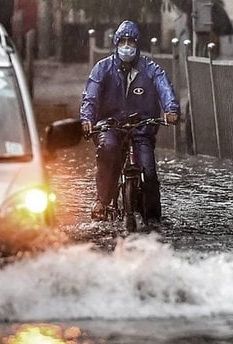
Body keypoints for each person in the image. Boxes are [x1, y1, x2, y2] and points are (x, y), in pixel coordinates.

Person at [79, 20, 180, 227]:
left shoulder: (152, 69)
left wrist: (171, 110)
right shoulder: (102, 68)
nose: (127, 46)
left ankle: (153, 219)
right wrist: (87, 119)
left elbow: (165, 89)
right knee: (108, 150)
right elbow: (91, 96)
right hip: (109, 126)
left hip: (142, 126)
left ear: (137, 45)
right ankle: (102, 201)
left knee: (149, 172)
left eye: (131, 42)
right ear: (116, 44)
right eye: (123, 41)